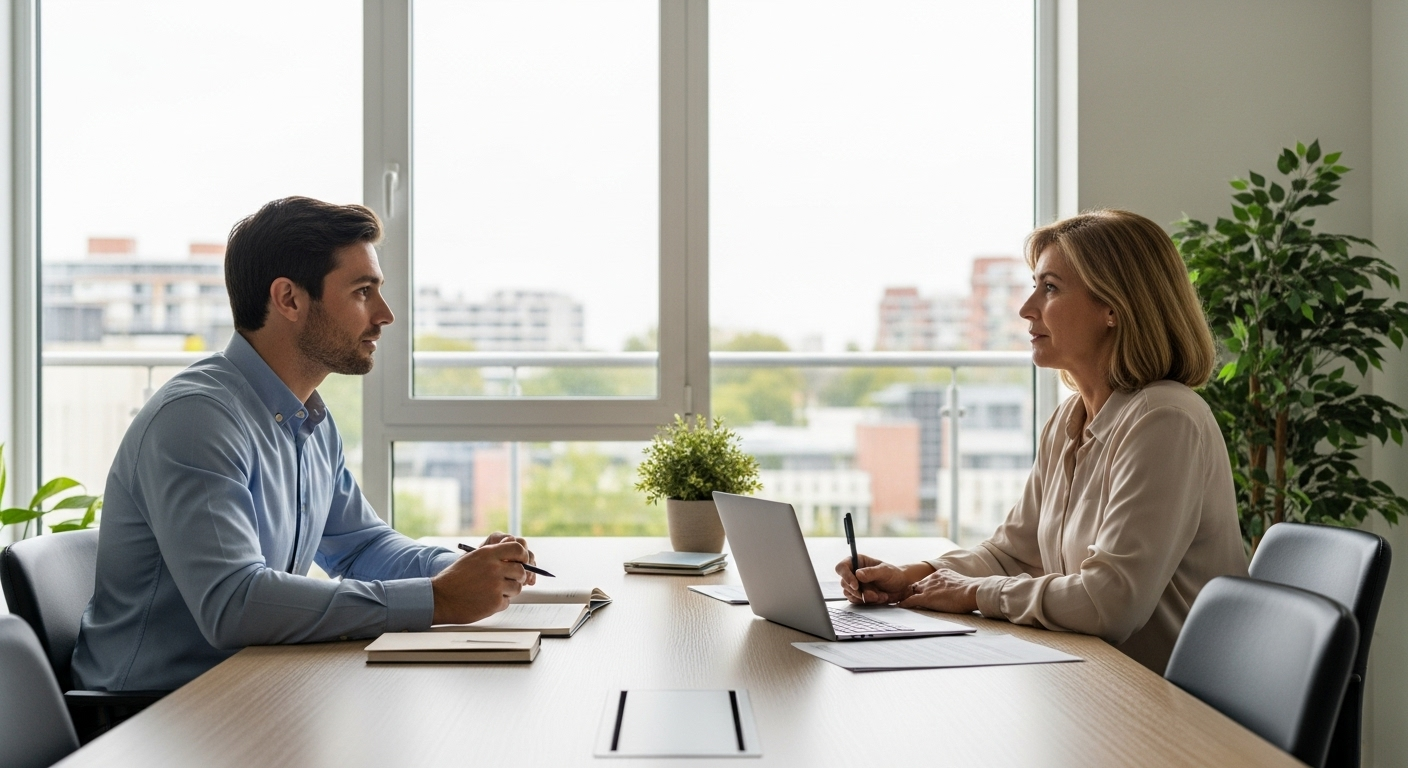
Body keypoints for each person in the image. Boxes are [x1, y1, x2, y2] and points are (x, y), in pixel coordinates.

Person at [72, 197, 535, 692]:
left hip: (248, 688)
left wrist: (466, 573)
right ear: (289, 299)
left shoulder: (308, 417)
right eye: (363, 292)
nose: (385, 315)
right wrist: (438, 599)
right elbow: (234, 603)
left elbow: (363, 547)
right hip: (147, 717)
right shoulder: (196, 420)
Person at [837, 209, 1247, 673]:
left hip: (1165, 706)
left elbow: (1110, 604)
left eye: (1049, 288)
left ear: (1113, 307)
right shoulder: (1069, 419)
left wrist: (972, 593)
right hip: (1092, 678)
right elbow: (1013, 554)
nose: (1027, 308)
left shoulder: (1165, 420)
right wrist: (914, 577)